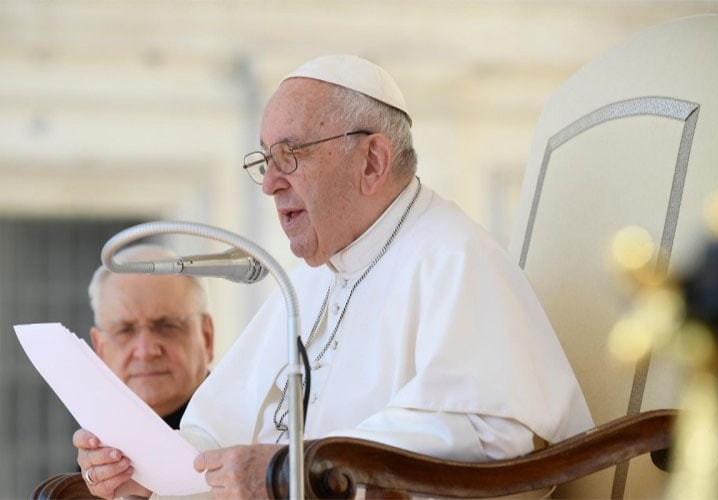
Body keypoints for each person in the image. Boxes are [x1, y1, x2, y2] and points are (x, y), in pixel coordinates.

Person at [74, 54, 593, 499]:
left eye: (290, 156)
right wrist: (145, 471)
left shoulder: (455, 258)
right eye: (264, 160)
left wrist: (289, 471)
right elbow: (217, 428)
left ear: (371, 160)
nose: (271, 184)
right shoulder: (308, 279)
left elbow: (491, 432)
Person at [87, 243, 215, 429]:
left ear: (207, 336)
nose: (145, 351)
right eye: (125, 330)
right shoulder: (94, 449)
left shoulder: (254, 440)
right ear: (100, 349)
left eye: (166, 326)